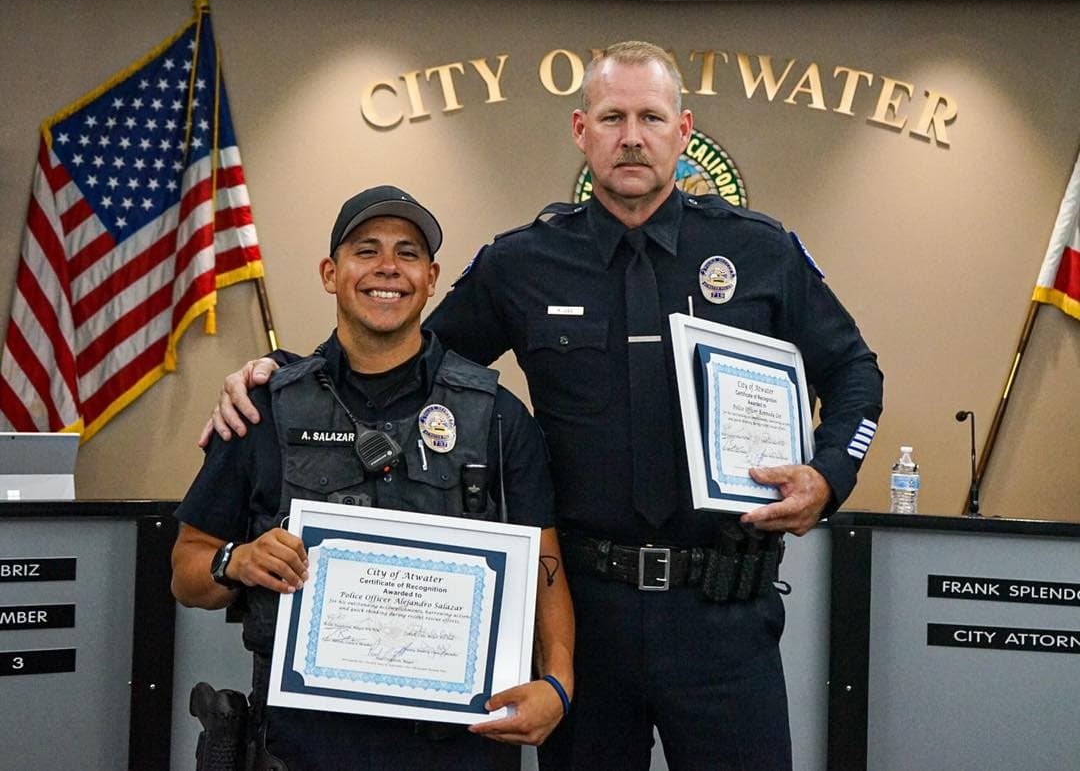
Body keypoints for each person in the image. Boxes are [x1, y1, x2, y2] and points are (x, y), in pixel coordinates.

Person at [203, 42, 883, 771]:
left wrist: (828, 473)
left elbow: (854, 372)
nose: (631, 136)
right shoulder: (522, 262)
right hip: (584, 611)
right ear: (580, 130)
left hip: (722, 611)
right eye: (612, 116)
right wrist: (286, 373)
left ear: (683, 132)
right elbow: (403, 352)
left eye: (650, 117)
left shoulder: (759, 251)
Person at [173, 186, 574, 771]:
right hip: (305, 745)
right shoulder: (264, 409)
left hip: (457, 746)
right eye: (367, 251)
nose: (388, 267)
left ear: (432, 278)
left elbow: (545, 567)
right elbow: (188, 571)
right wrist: (235, 562)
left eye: (408, 253)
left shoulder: (496, 414)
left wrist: (557, 683)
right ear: (330, 273)